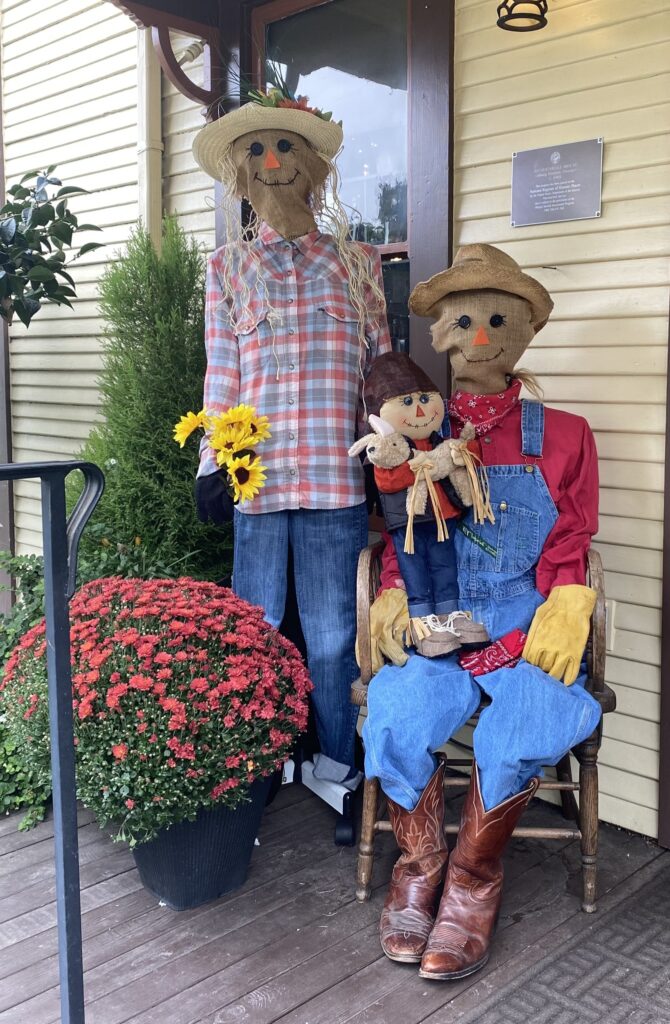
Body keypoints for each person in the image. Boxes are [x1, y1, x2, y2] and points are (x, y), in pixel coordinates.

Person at [362, 244, 602, 979]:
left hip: (525, 619)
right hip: (440, 615)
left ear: (523, 331)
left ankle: (471, 880)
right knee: (398, 716)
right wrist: (393, 591)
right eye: (463, 322)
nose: (480, 337)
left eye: (497, 322)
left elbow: (573, 531)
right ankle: (422, 862)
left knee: (522, 725)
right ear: (440, 333)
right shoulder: (416, 435)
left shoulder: (564, 435)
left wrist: (567, 597)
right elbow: (404, 527)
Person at [191, 87, 391, 804]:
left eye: (285, 148)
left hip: (337, 485)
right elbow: (222, 374)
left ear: (309, 165)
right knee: (257, 630)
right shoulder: (226, 269)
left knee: (337, 638)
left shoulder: (359, 265)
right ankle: (262, 762)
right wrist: (212, 462)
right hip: (258, 484)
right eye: (257, 150)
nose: (272, 160)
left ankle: (337, 768)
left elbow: (380, 375)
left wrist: (388, 455)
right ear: (242, 172)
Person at [349, 351, 489, 657]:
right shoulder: (389, 450)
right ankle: (423, 623)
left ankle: (450, 616)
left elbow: (468, 458)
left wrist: (459, 454)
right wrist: (422, 465)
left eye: (426, 399)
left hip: (443, 519)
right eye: (408, 403)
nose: (421, 410)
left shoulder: (439, 440)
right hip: (409, 524)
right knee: (415, 572)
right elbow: (387, 482)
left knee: (444, 565)